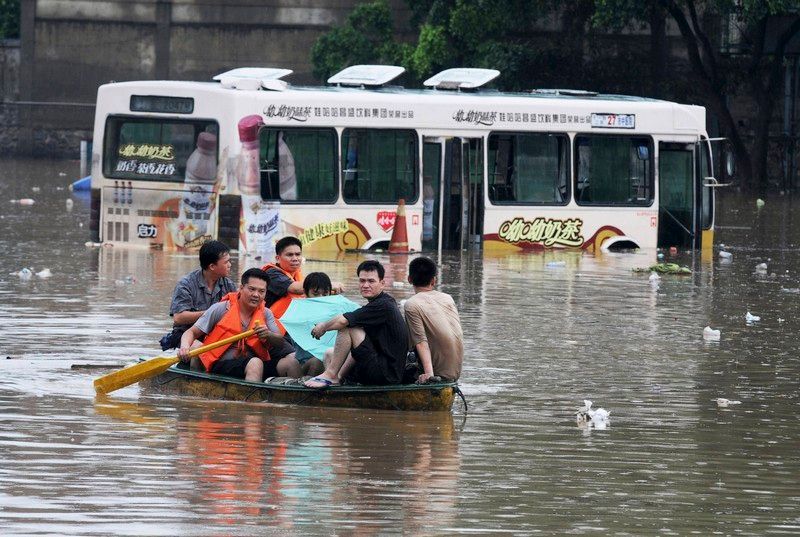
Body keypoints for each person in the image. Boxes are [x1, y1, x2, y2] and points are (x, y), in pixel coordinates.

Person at [178, 268, 301, 382]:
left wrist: (268, 335)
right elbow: (191, 332)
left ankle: (296, 400)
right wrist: (184, 347)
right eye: (252, 289)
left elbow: (279, 342)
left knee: (292, 364)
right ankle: (250, 404)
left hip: (254, 364)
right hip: (220, 364)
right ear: (241, 288)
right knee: (255, 363)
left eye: (261, 291)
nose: (256, 295)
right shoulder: (221, 309)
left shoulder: (266, 313)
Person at [304, 260, 408, 387]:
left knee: (347, 326)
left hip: (386, 374)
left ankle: (330, 375)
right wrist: (340, 376)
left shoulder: (383, 305)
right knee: (329, 353)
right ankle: (334, 378)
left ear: (382, 284)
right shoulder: (378, 304)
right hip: (382, 368)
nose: (365, 285)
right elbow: (357, 350)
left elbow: (343, 321)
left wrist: (323, 327)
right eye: (362, 281)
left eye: (371, 281)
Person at [160, 240, 237, 350]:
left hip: (216, 334)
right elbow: (179, 318)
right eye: (226, 262)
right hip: (185, 333)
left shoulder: (229, 285)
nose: (230, 265)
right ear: (212, 266)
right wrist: (211, 313)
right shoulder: (186, 284)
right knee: (200, 349)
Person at [261, 236, 343, 333]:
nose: (295, 259)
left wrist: (329, 293)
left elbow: (309, 295)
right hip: (272, 328)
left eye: (298, 254)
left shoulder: (296, 275)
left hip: (291, 324)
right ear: (278, 258)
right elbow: (294, 289)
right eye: (290, 255)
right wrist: (328, 284)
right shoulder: (272, 273)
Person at [404, 257, 463, 382]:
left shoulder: (411, 304)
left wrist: (429, 374)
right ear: (434, 280)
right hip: (455, 372)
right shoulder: (448, 298)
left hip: (437, 374)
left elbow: (420, 342)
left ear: (409, 279)